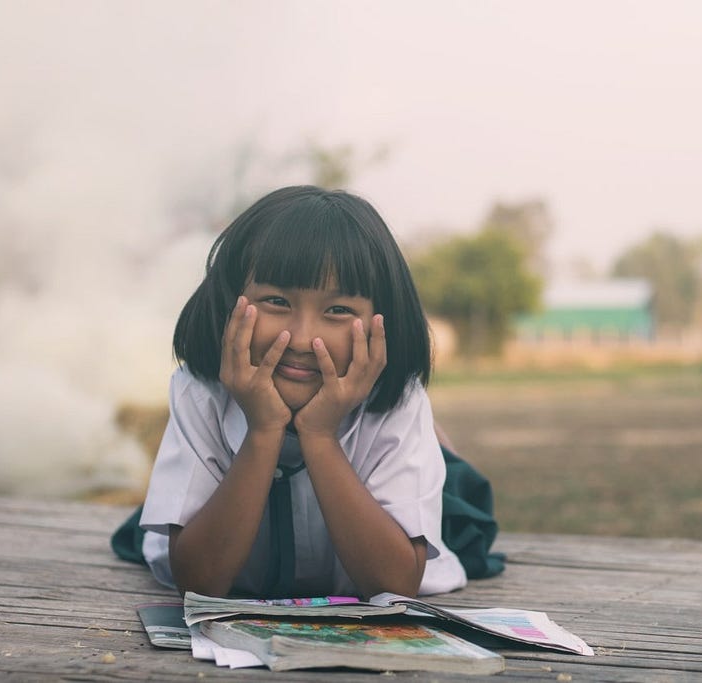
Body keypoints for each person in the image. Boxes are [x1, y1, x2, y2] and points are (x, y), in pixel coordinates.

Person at [138, 185, 470, 600]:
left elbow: (395, 586)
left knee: (465, 500)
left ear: (380, 321)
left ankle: (440, 448)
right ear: (230, 303)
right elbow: (200, 582)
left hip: (428, 501)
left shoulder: (399, 401)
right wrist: (263, 430)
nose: (300, 338)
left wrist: (319, 435)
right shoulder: (199, 392)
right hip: (222, 512)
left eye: (338, 310)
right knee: (156, 521)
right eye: (276, 301)